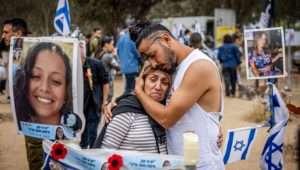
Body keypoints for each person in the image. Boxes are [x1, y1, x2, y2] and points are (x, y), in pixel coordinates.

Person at [123, 22, 224, 169]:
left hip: (201, 165)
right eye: (146, 58)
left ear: (166, 40)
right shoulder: (173, 66)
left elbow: (166, 118)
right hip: (179, 164)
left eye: (152, 55)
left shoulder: (198, 66)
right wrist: (119, 105)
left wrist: (138, 91)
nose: (152, 63)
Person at [95, 64, 171, 154]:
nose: (158, 87)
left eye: (164, 82)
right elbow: (104, 155)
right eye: (153, 80)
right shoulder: (125, 112)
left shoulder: (169, 113)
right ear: (142, 82)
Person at [14, 42, 73, 125]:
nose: (44, 88)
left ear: (67, 92)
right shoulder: (22, 125)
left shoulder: (74, 132)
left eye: (56, 81)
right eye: (36, 76)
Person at [80, 43, 109, 149]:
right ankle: (83, 147)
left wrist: (104, 101)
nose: (80, 49)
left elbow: (105, 83)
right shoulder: (72, 65)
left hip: (94, 101)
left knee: (92, 129)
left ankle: (93, 150)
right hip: (80, 103)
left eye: (81, 47)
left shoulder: (96, 64)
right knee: (83, 128)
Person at [116, 30, 141, 94]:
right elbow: (137, 53)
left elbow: (117, 51)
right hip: (132, 67)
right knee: (131, 89)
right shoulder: (132, 39)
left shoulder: (121, 38)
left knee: (127, 87)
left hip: (124, 67)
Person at [97, 36, 119, 102]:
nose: (113, 47)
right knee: (108, 101)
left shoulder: (98, 54)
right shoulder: (108, 56)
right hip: (108, 83)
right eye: (112, 44)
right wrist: (115, 54)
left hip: (100, 83)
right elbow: (118, 66)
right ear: (106, 45)